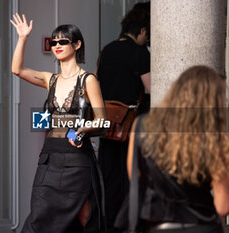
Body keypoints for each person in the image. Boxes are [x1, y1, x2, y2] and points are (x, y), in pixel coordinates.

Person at [10, 13, 106, 233]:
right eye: (54, 42)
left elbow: (103, 120)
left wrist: (82, 130)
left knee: (84, 218)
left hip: (77, 160)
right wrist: (23, 37)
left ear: (77, 44)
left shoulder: (88, 80)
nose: (57, 45)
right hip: (49, 158)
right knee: (38, 218)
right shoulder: (49, 79)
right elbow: (17, 69)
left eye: (63, 41)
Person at [125, 65, 229, 233]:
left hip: (158, 226)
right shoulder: (210, 137)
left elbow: (135, 175)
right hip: (201, 225)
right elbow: (223, 206)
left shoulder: (142, 125)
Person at [96, 7, 150, 233]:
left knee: (109, 181)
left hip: (107, 126)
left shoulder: (107, 50)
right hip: (131, 128)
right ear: (143, 30)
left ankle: (110, 227)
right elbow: (150, 89)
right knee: (132, 180)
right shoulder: (140, 53)